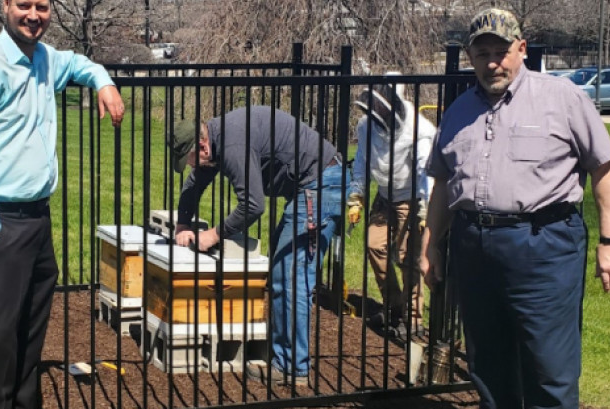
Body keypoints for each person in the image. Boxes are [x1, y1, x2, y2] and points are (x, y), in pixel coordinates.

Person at [419, 8, 610, 409]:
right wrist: (431, 246)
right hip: (473, 247)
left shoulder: (562, 98)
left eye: (501, 51)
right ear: (471, 57)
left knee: (548, 368)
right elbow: (444, 186)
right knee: (488, 365)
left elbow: (605, 167)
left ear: (522, 49)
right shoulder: (457, 112)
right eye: (483, 54)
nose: (493, 62)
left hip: (545, 246)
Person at [0, 1, 124, 409]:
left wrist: (104, 81)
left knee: (30, 330)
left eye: (42, 6)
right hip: (3, 221)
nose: (34, 15)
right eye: (23, 4)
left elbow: (80, 63)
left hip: (37, 219)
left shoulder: (46, 59)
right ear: (5, 7)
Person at [170, 105, 349, 386]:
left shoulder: (230, 144)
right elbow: (195, 183)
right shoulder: (215, 139)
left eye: (190, 159)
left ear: (202, 146)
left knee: (291, 275)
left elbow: (253, 205)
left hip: (321, 185)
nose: (191, 166)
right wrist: (182, 223)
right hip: (309, 185)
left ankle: (292, 367)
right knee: (281, 271)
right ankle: (283, 355)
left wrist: (214, 235)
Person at [347, 78, 436, 340]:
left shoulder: (419, 130)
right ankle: (393, 307)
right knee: (375, 247)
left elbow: (425, 171)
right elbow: (362, 160)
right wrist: (356, 195)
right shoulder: (366, 125)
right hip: (384, 197)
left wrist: (424, 208)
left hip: (412, 199)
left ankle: (414, 321)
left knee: (409, 260)